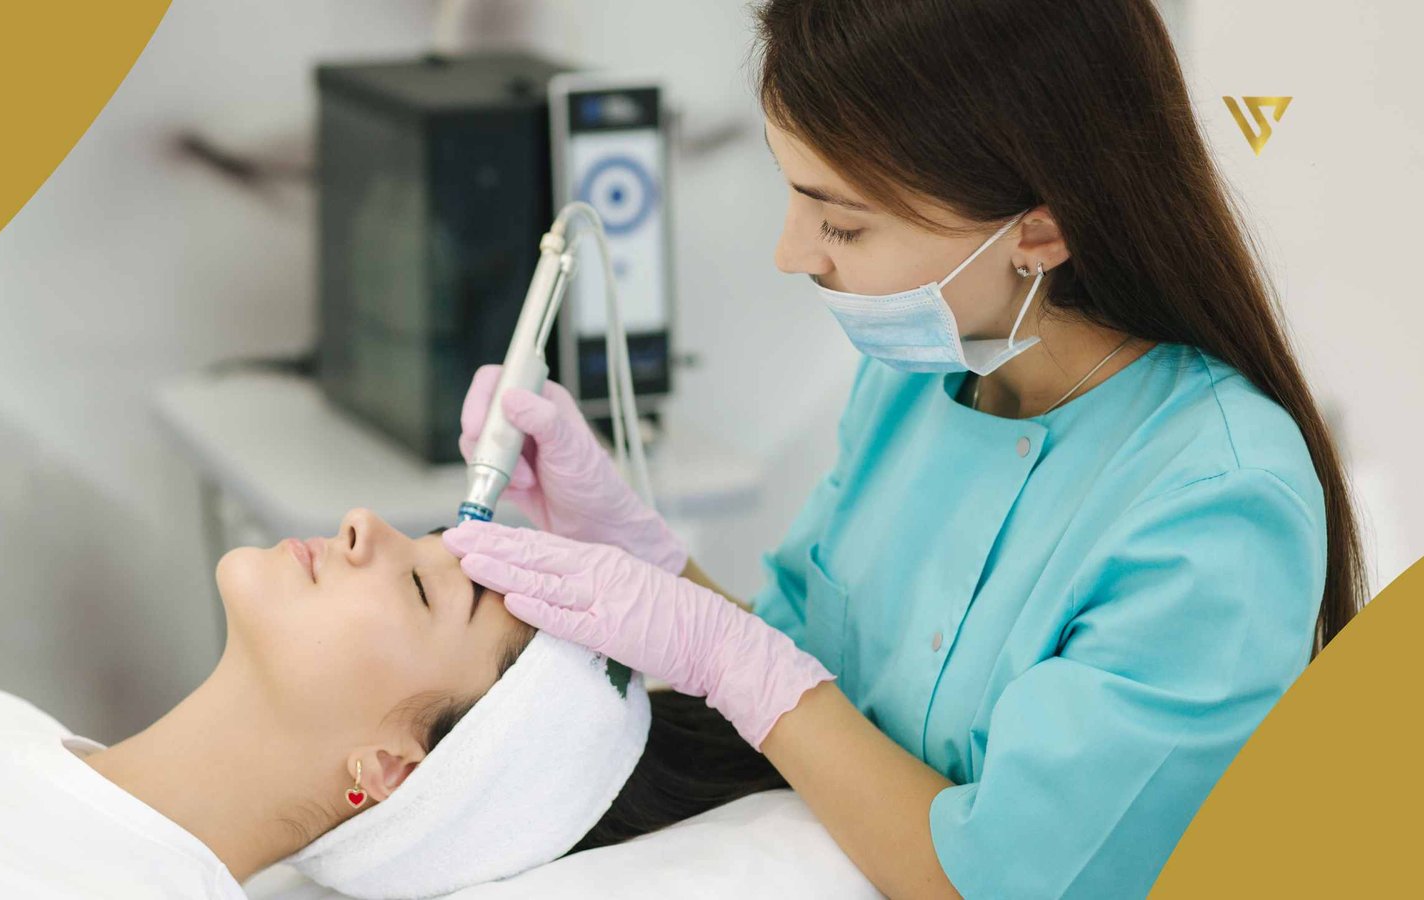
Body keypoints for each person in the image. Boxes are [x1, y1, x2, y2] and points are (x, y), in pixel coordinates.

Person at [445, 1, 1367, 897]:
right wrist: (641, 553)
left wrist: (728, 658)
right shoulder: (919, 379)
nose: (793, 252)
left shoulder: (1216, 506)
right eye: (794, 194)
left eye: (841, 222)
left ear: (1039, 231)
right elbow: (808, 686)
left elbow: (997, 879)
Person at [0, 507, 786, 898]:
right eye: (420, 542)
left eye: (417, 587)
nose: (365, 525)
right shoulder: (1, 720)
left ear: (390, 771)